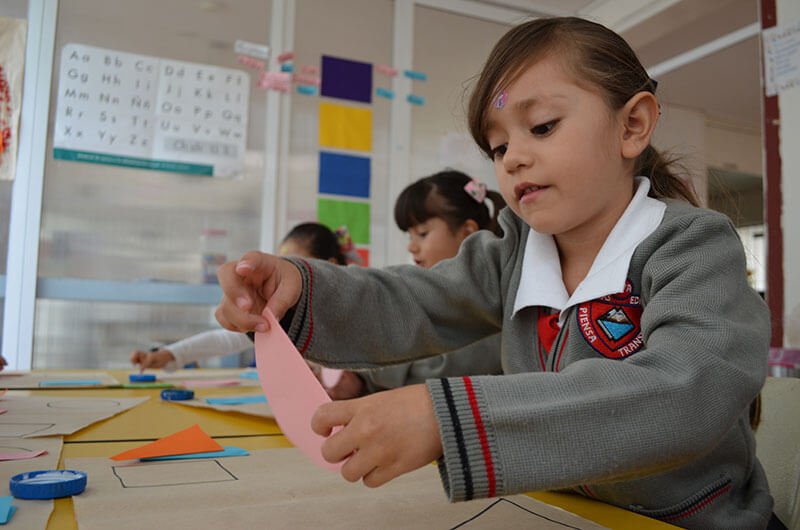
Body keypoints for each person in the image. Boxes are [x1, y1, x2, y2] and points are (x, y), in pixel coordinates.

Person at [214, 17, 774, 530]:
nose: (512, 159)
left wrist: (447, 419)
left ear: (632, 125)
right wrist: (302, 291)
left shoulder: (692, 247)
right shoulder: (512, 254)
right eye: (499, 144)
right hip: (563, 513)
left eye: (543, 126)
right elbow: (411, 302)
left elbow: (682, 391)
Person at [327, 170, 506, 399]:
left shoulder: (492, 295)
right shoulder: (430, 293)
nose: (411, 247)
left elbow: (439, 371)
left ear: (467, 232)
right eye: (409, 236)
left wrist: (365, 370)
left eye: (422, 233)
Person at [130, 222, 353, 371]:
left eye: (296, 266)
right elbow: (227, 338)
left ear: (329, 266)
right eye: (282, 265)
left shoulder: (354, 315)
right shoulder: (285, 310)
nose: (284, 276)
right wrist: (169, 353)